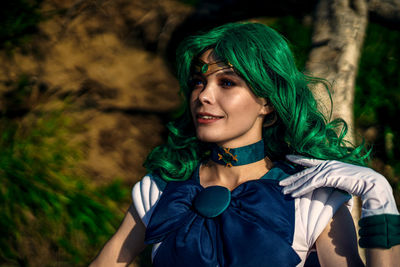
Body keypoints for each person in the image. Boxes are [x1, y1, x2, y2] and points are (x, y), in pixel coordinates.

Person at [90, 22, 400, 266]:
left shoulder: (313, 198)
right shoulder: (158, 190)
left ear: (267, 102)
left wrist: (380, 197)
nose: (204, 96)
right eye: (199, 81)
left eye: (227, 83)